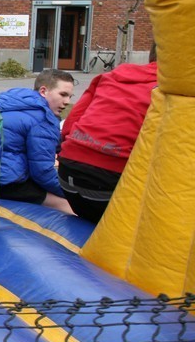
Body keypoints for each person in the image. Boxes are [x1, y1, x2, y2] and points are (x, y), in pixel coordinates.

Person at [58, 46, 158, 223]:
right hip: (110, 181)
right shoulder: (170, 90)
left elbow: (71, 123)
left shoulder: (111, 76)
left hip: (68, 170)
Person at [0, 69, 75, 215]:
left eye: (70, 96)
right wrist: (74, 195)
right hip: (5, 182)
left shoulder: (14, 100)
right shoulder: (43, 118)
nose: (67, 102)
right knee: (69, 205)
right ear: (43, 91)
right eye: (63, 94)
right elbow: (42, 172)